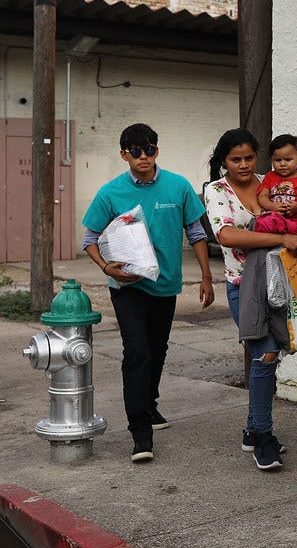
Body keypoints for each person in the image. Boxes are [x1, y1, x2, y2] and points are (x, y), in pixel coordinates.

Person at [82, 123, 215, 463]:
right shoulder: (110, 193)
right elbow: (89, 240)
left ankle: (149, 405)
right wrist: (105, 267)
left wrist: (206, 276)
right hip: (127, 287)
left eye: (150, 149)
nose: (143, 157)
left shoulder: (178, 186)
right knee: (137, 353)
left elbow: (196, 231)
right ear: (124, 153)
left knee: (156, 350)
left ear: (157, 150)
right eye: (136, 151)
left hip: (166, 285)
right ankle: (140, 433)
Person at [204, 128, 297, 471]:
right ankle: (263, 436)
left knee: (273, 357)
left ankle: (252, 429)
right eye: (235, 159)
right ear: (223, 161)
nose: (244, 164)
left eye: (248, 157)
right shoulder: (217, 190)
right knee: (265, 354)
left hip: (276, 284)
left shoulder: (270, 181)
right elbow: (227, 235)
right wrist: (277, 235)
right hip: (242, 286)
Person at [256, 133, 297, 237]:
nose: (282, 164)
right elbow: (262, 196)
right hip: (276, 221)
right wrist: (271, 206)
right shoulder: (270, 177)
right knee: (259, 226)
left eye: (288, 160)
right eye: (277, 160)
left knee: (285, 238)